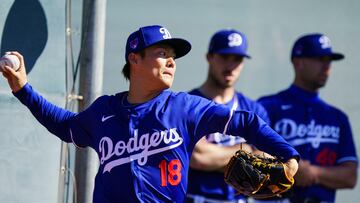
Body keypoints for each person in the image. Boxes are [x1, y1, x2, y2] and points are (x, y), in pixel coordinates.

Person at [1, 25, 299, 203]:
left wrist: (288, 156)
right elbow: (65, 125)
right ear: (135, 58)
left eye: (173, 57)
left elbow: (245, 121)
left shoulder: (184, 107)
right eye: (163, 54)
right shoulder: (104, 110)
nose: (172, 62)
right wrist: (23, 89)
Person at [257, 33, 358, 203]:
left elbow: (350, 177)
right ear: (298, 62)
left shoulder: (337, 117)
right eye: (319, 59)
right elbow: (250, 154)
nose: (326, 66)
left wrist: (313, 173)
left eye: (329, 60)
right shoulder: (267, 106)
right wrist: (290, 169)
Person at [186, 29, 270, 203]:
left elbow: (265, 164)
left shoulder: (254, 110)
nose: (230, 66)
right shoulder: (188, 105)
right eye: (224, 57)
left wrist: (217, 156)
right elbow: (199, 158)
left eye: (237, 59)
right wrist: (245, 151)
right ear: (209, 57)